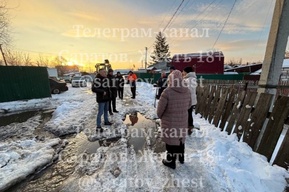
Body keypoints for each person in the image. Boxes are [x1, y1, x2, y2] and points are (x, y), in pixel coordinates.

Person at [157, 70, 191, 169]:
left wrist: (162, 116)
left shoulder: (167, 92)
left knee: (171, 141)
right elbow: (189, 105)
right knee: (180, 139)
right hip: (183, 120)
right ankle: (181, 158)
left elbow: (159, 111)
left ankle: (171, 161)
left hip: (170, 122)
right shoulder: (187, 90)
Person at [182, 66, 197, 135]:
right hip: (190, 99)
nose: (182, 72)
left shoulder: (190, 79)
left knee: (188, 113)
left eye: (183, 71)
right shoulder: (190, 78)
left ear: (187, 72)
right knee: (188, 113)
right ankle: (188, 127)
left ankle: (189, 128)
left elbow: (189, 91)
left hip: (188, 100)